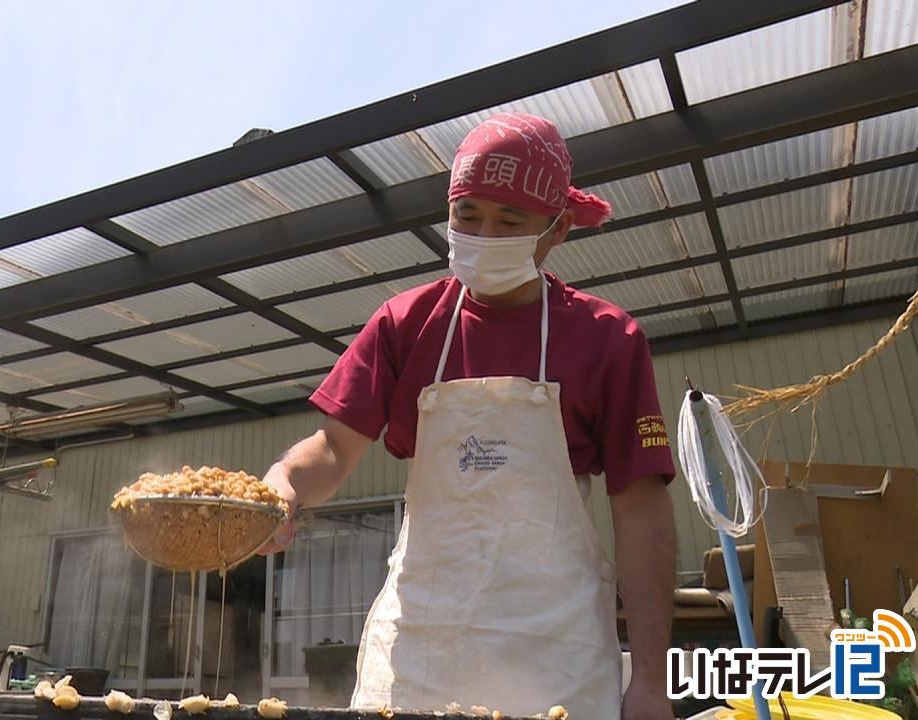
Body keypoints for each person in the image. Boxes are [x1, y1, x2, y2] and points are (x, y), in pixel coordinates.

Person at [260, 113, 676, 719]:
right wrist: (284, 484)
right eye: (467, 215)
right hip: (421, 653)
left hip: (551, 657)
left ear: (556, 229)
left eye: (510, 221)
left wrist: (651, 682)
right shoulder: (406, 324)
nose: (483, 234)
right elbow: (335, 446)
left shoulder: (606, 339)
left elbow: (640, 508)